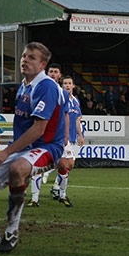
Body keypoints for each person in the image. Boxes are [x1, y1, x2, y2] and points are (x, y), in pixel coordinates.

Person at [0, 42, 66, 253]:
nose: (25, 60)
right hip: (26, 148)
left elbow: (39, 129)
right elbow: (23, 127)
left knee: (17, 170)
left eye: (31, 57)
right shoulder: (23, 86)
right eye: (23, 56)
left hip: (48, 147)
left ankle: (11, 234)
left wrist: (6, 152)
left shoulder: (46, 86)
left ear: (42, 64)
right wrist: (10, 150)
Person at [27, 63, 69, 207]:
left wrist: (66, 135)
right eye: (50, 71)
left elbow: (65, 115)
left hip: (56, 137)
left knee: (63, 165)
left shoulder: (63, 94)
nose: (52, 74)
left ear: (59, 75)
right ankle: (34, 198)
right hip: (40, 136)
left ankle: (62, 195)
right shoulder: (39, 89)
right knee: (36, 167)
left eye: (55, 72)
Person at [53, 75, 85, 207]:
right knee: (64, 165)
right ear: (62, 86)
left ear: (73, 86)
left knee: (70, 165)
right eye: (65, 83)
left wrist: (80, 135)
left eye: (69, 83)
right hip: (61, 137)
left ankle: (56, 186)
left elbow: (78, 120)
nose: (67, 85)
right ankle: (62, 194)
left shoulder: (76, 101)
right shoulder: (59, 99)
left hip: (71, 138)